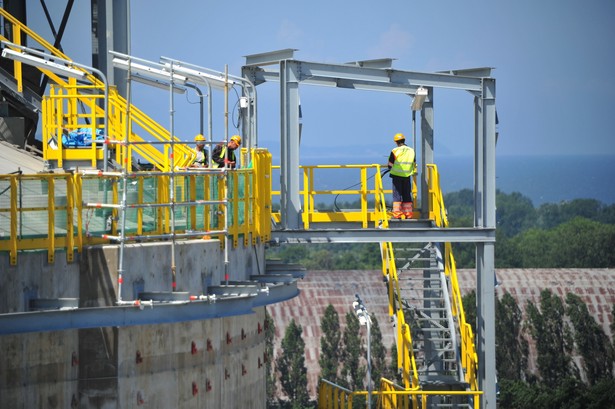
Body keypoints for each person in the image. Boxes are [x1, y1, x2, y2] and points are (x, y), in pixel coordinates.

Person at [387, 132, 417, 219]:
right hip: (407, 176)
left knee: (397, 195)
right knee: (407, 194)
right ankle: (408, 214)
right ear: (404, 140)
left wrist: (391, 168)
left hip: (396, 176)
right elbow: (413, 162)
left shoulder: (395, 151)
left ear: (396, 142)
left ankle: (397, 214)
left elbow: (390, 164)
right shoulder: (411, 150)